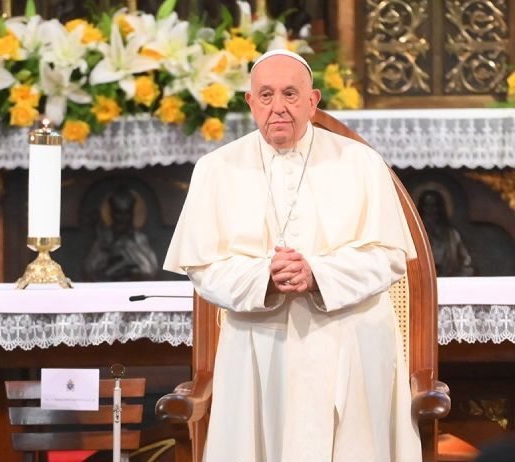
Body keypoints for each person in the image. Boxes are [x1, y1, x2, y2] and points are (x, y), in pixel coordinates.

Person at [164, 50, 422, 461]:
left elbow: (390, 257)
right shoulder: (216, 169)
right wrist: (265, 276)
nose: (278, 107)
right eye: (265, 95)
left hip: (349, 342)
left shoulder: (362, 163)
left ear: (313, 101)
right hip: (258, 347)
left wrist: (317, 273)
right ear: (250, 102)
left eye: (290, 94)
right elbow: (204, 269)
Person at [84, 185, 158, 281]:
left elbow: (151, 269)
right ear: (112, 214)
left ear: (132, 214)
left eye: (127, 213)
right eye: (119, 213)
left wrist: (131, 252)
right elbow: (90, 269)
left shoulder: (139, 239)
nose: (123, 218)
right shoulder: (104, 238)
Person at [417, 190, 474, 276]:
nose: (430, 210)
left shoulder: (452, 235)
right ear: (422, 209)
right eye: (427, 206)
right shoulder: (414, 235)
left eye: (434, 206)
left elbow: (466, 262)